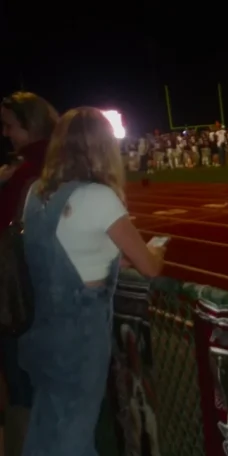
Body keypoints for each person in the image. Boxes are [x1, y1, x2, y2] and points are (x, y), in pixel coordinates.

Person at [19, 107, 166, 456]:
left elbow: (74, 247)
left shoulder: (36, 194)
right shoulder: (99, 198)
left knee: (46, 426)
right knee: (75, 433)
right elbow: (149, 267)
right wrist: (158, 249)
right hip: (81, 337)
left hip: (41, 330)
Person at [0, 91, 59, 456]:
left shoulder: (26, 173)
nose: (5, 134)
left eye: (9, 126)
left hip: (22, 301)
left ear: (29, 125)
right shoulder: (62, 166)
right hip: (57, 300)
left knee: (24, 393)